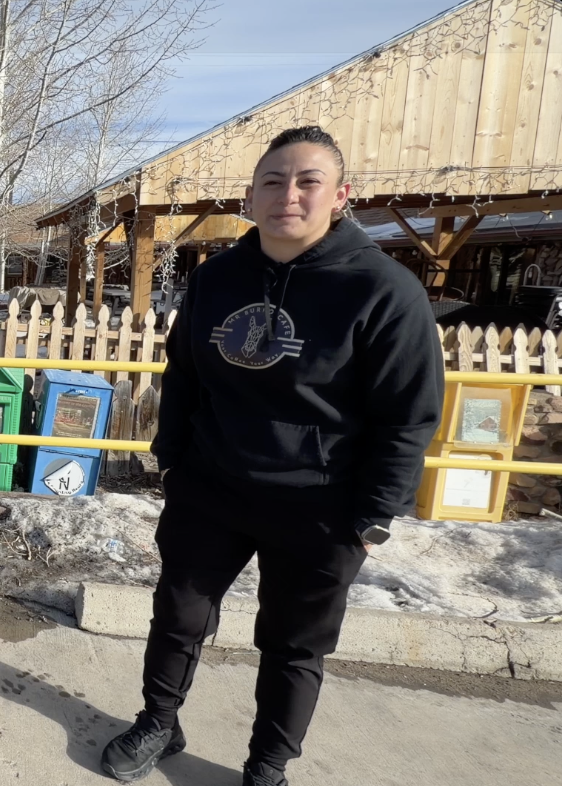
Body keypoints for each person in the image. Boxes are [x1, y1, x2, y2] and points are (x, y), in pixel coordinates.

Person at [98, 126, 444, 786]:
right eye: (273, 181)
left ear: (340, 196)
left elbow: (408, 413)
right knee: (178, 615)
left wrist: (375, 515)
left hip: (323, 503)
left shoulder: (383, 290)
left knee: (293, 644)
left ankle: (267, 767)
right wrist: (171, 461)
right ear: (251, 197)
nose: (289, 194)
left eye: (308, 181)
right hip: (213, 485)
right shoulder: (217, 280)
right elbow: (184, 376)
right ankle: (159, 722)